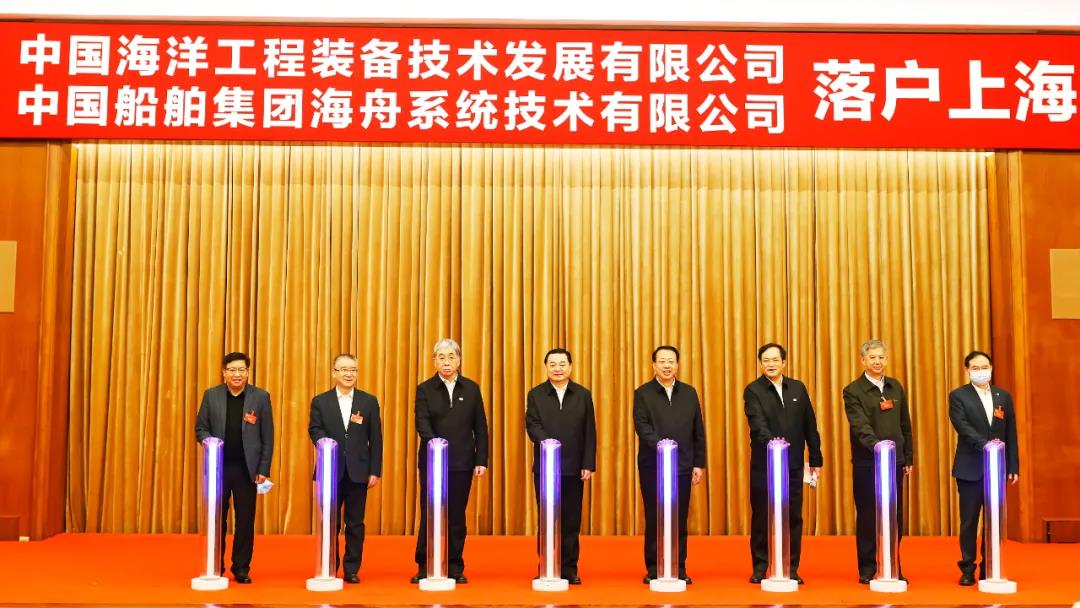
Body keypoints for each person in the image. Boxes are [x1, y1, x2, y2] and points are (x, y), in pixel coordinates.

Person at [742, 342, 823, 584]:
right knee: (762, 516)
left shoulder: (797, 388)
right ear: (760, 364)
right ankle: (761, 567)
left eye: (775, 360)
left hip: (794, 465)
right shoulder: (753, 390)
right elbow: (757, 423)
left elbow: (810, 424)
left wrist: (815, 458)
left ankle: (790, 566)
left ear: (784, 362)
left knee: (793, 517)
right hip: (765, 465)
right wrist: (774, 445)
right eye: (766, 360)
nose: (771, 364)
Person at [411, 339, 489, 584]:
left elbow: (480, 427)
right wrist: (435, 445)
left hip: (462, 462)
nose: (446, 362)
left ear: (459, 360)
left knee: (456, 516)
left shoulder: (471, 388)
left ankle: (454, 565)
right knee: (430, 513)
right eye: (441, 357)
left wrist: (481, 460)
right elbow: (422, 422)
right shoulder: (425, 389)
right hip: (432, 462)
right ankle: (425, 565)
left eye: (451, 357)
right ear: (434, 361)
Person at [194, 351, 274, 584]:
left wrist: (263, 468)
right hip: (218, 469)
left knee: (245, 521)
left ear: (248, 372)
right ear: (224, 372)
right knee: (216, 519)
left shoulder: (260, 397)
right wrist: (209, 441)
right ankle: (215, 565)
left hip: (247, 470)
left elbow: (267, 436)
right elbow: (200, 428)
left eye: (241, 370)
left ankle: (241, 567)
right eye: (232, 370)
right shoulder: (211, 396)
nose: (237, 374)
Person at [307, 353, 383, 584]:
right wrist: (325, 443)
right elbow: (314, 429)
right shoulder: (321, 401)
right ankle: (329, 565)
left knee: (355, 523)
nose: (349, 374)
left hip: (359, 472)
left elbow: (376, 439)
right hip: (330, 471)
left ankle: (351, 568)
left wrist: (375, 470)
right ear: (334, 373)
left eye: (353, 370)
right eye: (344, 369)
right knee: (329, 522)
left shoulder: (368, 401)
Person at [633, 345, 706, 585]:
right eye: (662, 361)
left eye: (671, 361)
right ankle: (654, 567)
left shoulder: (689, 393)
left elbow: (698, 430)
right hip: (653, 466)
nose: (667, 365)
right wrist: (663, 446)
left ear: (677, 364)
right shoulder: (643, 393)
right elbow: (642, 426)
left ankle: (678, 566)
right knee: (655, 515)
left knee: (679, 517)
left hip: (683, 465)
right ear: (653, 365)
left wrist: (699, 463)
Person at [842, 339, 913, 584]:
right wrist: (877, 446)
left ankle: (892, 564)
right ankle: (868, 568)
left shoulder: (895, 387)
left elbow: (905, 424)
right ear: (863, 360)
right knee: (868, 516)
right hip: (868, 463)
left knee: (895, 515)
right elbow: (859, 425)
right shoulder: (853, 391)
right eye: (872, 357)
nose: (877, 362)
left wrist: (908, 456)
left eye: (881, 357)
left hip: (895, 462)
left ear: (887, 359)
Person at [525, 347, 597, 585]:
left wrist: (587, 463)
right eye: (553, 364)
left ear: (570, 367)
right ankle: (547, 567)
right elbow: (532, 424)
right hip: (546, 468)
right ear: (546, 367)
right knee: (547, 519)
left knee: (571, 521)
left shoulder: (583, 395)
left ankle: (569, 568)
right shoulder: (536, 394)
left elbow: (589, 431)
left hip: (574, 468)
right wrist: (548, 444)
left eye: (562, 364)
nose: (558, 369)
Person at [948, 350, 1019, 586]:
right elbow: (962, 426)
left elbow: (1010, 433)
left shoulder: (1003, 396)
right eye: (975, 368)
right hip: (970, 469)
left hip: (997, 470)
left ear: (991, 368)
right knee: (969, 521)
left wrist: (1013, 465)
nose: (981, 372)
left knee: (994, 521)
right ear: (967, 370)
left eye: (985, 367)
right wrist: (986, 446)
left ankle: (989, 566)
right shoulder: (959, 396)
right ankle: (968, 568)